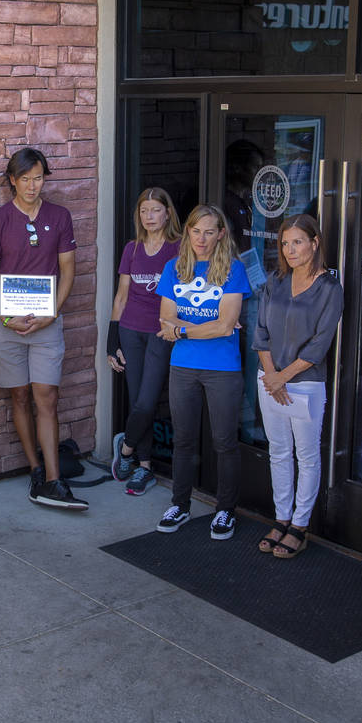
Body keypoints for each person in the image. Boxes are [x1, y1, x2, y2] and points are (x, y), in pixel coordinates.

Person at [0, 147, 84, 510]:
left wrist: (52, 312)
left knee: (47, 398)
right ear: (12, 180)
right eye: (25, 179)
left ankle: (55, 481)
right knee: (19, 396)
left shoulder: (60, 216)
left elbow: (68, 270)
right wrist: (5, 316)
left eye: (38, 178)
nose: (32, 185)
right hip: (7, 322)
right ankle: (36, 469)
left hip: (46, 321)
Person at [155, 204, 251, 537]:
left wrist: (182, 329)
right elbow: (165, 319)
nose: (202, 238)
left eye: (210, 231)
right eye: (196, 231)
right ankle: (179, 505)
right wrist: (207, 325)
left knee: (224, 441)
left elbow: (225, 327)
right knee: (182, 440)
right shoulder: (173, 267)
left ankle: (225, 510)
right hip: (182, 366)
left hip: (222, 368)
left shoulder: (233, 270)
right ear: (188, 233)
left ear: (221, 234)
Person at [251, 214, 343, 558]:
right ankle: (281, 518)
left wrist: (281, 377)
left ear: (315, 243)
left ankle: (300, 526)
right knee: (278, 452)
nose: (290, 249)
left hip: (303, 385)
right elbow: (260, 331)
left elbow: (320, 345)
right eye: (285, 243)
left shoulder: (329, 288)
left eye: (298, 242)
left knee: (306, 456)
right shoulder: (275, 281)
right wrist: (271, 374)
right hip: (269, 378)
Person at [107, 187, 182, 495]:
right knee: (139, 398)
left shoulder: (178, 249)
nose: (149, 216)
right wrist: (112, 340)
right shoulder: (132, 249)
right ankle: (145, 467)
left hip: (161, 331)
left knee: (147, 400)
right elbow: (122, 295)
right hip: (130, 329)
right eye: (144, 211)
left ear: (167, 213)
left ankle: (125, 449)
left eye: (155, 210)